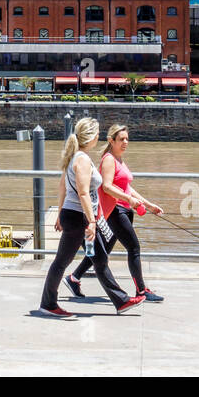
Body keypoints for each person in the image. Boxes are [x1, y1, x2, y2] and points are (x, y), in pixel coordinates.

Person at [39, 117, 145, 319]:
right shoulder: (82, 160)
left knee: (99, 259)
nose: (98, 136)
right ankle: (48, 303)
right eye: (97, 133)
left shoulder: (74, 157)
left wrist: (61, 214)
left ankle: (121, 301)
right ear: (92, 137)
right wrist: (92, 222)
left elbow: (63, 187)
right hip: (80, 217)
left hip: (74, 215)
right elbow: (83, 193)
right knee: (63, 262)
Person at [66, 124, 164, 302]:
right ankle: (141, 291)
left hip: (123, 209)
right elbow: (107, 186)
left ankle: (74, 278)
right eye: (121, 139)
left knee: (102, 251)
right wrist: (128, 199)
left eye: (127, 139)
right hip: (115, 211)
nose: (125, 142)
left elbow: (127, 187)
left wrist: (149, 205)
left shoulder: (119, 160)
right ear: (111, 140)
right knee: (133, 248)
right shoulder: (109, 159)